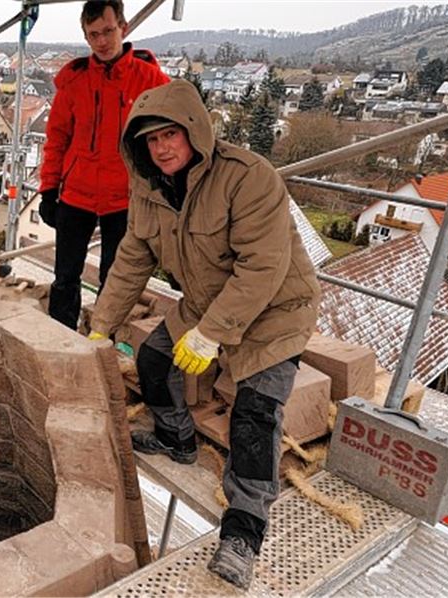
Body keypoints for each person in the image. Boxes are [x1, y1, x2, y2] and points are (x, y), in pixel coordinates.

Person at [88, 79, 321, 589]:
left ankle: (243, 532)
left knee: (255, 413)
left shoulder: (248, 177)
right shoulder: (149, 189)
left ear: (195, 130)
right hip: (205, 303)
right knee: (152, 359)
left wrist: (212, 334)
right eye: (151, 140)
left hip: (277, 312)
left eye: (171, 133)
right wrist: (101, 325)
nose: (162, 147)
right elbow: (132, 258)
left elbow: (263, 266)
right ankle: (177, 438)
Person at [38, 0, 170, 330]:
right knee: (65, 275)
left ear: (123, 28)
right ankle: (61, 339)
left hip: (124, 198)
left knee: (116, 278)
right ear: (86, 37)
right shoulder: (74, 82)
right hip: (77, 193)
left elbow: (171, 137)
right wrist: (48, 190)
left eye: (108, 31)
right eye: (93, 34)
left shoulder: (152, 80)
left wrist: (165, 188)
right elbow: (56, 140)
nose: (102, 41)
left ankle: (101, 341)